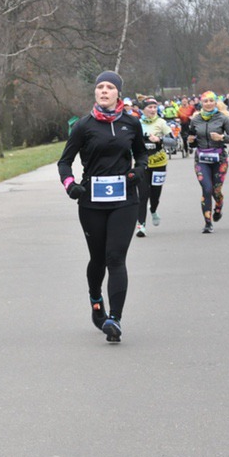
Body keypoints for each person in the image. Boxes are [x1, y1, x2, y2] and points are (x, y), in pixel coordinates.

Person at [57, 70, 146, 343]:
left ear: (118, 93)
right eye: (100, 87)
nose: (104, 91)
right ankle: (96, 301)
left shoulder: (131, 123)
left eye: (109, 87)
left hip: (124, 200)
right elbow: (64, 162)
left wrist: (138, 171)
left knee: (115, 258)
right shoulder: (83, 126)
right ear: (95, 92)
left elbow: (142, 154)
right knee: (98, 259)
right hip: (92, 202)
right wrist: (70, 185)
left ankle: (114, 319)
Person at [187, 91, 229, 233]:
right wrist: (190, 141)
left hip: (219, 159)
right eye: (205, 101)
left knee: (216, 190)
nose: (208, 104)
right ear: (201, 103)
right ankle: (208, 223)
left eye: (211, 101)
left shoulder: (223, 118)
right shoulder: (195, 120)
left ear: (215, 102)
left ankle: (219, 206)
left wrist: (222, 138)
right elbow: (192, 141)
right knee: (207, 189)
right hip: (201, 159)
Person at [136, 98, 172, 237]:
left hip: (159, 164)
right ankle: (141, 225)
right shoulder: (137, 123)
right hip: (142, 165)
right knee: (143, 195)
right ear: (142, 109)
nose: (152, 110)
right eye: (149, 107)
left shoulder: (161, 123)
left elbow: (174, 142)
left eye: (154, 107)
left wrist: (159, 140)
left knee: (155, 195)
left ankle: (153, 210)